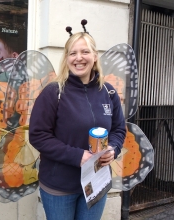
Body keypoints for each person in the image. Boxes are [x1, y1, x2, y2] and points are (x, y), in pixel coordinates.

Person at [29, 30, 126, 220]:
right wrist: (78, 156)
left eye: (85, 52)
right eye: (73, 53)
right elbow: (38, 136)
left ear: (95, 56)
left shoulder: (108, 92)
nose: (79, 58)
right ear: (66, 58)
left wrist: (114, 149)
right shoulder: (53, 93)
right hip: (60, 185)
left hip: (96, 181)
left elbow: (118, 129)